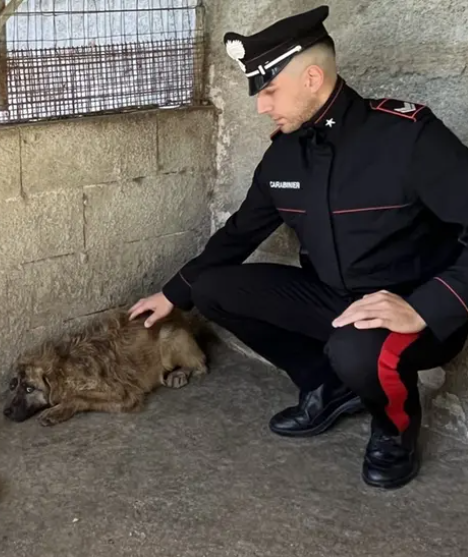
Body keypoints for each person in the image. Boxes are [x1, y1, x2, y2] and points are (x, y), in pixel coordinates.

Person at [129, 4, 468, 490]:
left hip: (413, 309)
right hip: (335, 299)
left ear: (312, 78)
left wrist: (425, 307)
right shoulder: (285, 156)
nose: (260, 106)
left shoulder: (407, 137)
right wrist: (172, 293)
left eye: (268, 90)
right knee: (211, 290)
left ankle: (395, 428)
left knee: (356, 347)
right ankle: (328, 386)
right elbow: (239, 234)